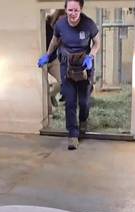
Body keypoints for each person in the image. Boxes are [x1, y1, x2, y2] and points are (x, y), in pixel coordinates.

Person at [37, 0, 100, 150]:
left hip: (84, 66)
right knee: (70, 101)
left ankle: (83, 119)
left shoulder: (89, 24)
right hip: (67, 67)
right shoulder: (60, 25)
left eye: (76, 10)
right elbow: (54, 41)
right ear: (65, 10)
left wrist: (91, 56)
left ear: (81, 9)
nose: (73, 14)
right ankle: (72, 134)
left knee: (83, 101)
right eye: (70, 10)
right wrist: (47, 55)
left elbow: (97, 43)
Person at [45, 10, 65, 114]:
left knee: (61, 82)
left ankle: (51, 95)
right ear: (55, 17)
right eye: (60, 20)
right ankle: (49, 113)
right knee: (44, 85)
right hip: (42, 60)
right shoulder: (45, 25)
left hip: (53, 59)